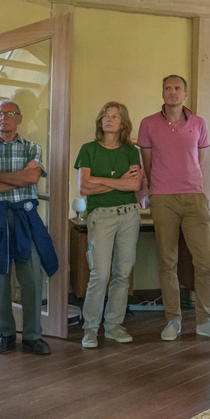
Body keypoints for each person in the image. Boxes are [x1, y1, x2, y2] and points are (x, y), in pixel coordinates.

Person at [137, 74, 210, 342]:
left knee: (205, 261)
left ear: (185, 94)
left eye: (177, 88)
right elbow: (148, 163)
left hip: (194, 197)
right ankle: (173, 320)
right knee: (168, 262)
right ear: (162, 92)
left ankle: (204, 321)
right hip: (163, 198)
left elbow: (197, 161)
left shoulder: (199, 124)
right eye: (167, 88)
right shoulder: (148, 124)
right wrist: (157, 189)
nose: (172, 92)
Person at [0, 100, 58, 357]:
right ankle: (5, 335)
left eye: (11, 113)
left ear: (19, 119)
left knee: (31, 277)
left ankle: (33, 336)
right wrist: (15, 179)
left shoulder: (33, 148)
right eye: (0, 113)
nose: (5, 118)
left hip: (25, 218)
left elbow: (32, 178)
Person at [75, 102, 144, 348]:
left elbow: (134, 186)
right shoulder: (88, 149)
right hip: (100, 216)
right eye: (105, 115)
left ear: (123, 123)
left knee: (122, 273)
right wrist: (118, 180)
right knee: (99, 274)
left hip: (128, 215)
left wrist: (101, 182)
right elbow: (84, 187)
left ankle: (113, 325)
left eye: (114, 116)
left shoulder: (130, 151)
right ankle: (90, 329)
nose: (109, 119)